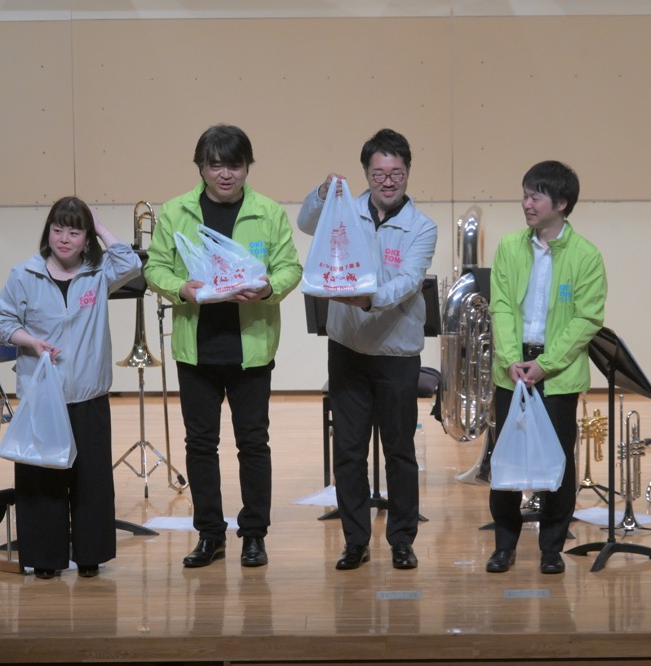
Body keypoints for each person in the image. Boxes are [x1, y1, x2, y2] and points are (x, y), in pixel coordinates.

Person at [145, 124, 302, 568]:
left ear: (247, 166)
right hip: (196, 350)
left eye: (235, 165)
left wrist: (269, 288)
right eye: (216, 165)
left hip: (251, 349)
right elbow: (155, 268)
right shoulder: (176, 211)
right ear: (201, 167)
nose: (226, 174)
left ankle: (254, 535)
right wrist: (182, 289)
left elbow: (290, 268)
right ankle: (210, 534)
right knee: (200, 445)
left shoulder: (268, 212)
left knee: (253, 444)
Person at [296, 128, 437, 570]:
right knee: (349, 451)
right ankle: (355, 540)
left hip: (397, 354)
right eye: (379, 173)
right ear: (366, 173)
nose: (388, 181)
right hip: (348, 351)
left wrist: (368, 299)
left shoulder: (422, 227)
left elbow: (409, 281)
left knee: (400, 452)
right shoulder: (344, 209)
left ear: (408, 173)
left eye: (396, 173)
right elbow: (306, 223)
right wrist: (322, 193)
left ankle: (402, 540)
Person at [0, 196, 142, 579]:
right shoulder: (24, 274)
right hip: (43, 397)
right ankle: (45, 558)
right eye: (57, 230)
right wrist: (31, 342)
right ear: (48, 232)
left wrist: (101, 227)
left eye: (75, 232)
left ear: (86, 238)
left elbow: (131, 263)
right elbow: (5, 323)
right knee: (43, 481)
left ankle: (90, 555)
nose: (64, 239)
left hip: (89, 395)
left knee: (92, 481)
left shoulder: (99, 274)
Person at [484, 160, 607, 575]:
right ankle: (504, 546)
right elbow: (501, 306)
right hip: (513, 368)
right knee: (505, 458)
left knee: (558, 461)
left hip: (557, 374)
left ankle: (551, 548)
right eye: (524, 195)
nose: (526, 204)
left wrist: (546, 364)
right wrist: (510, 359)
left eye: (535, 197)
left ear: (561, 203)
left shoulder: (586, 255)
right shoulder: (509, 247)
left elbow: (586, 319)